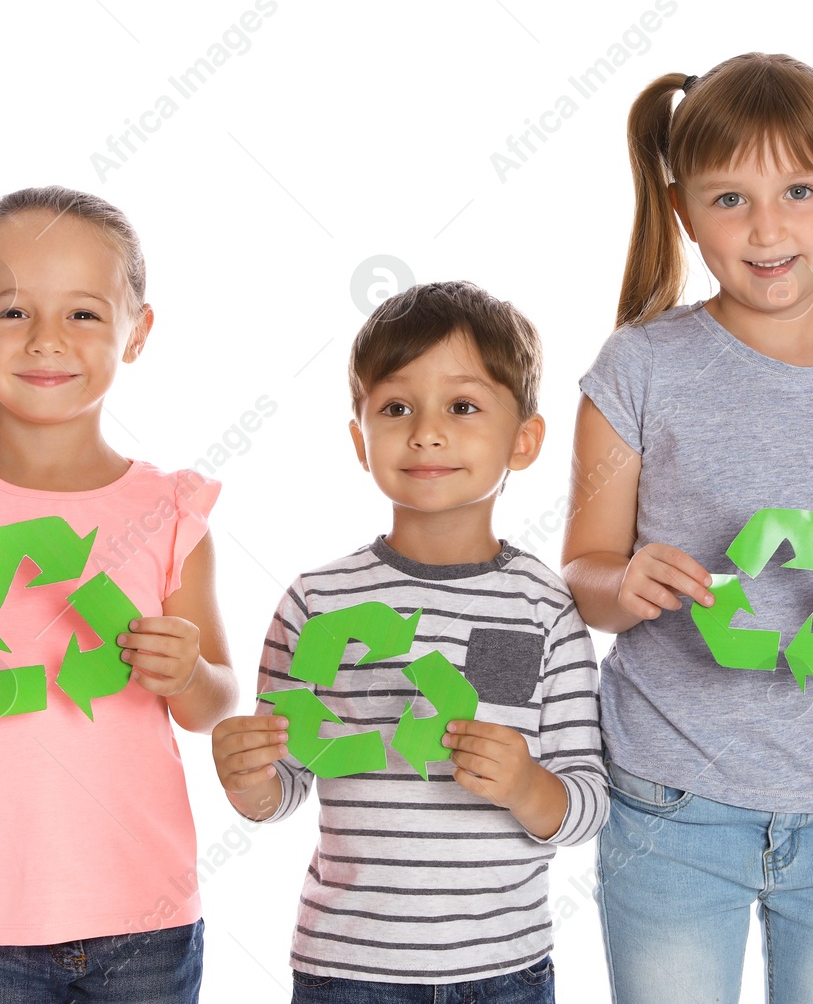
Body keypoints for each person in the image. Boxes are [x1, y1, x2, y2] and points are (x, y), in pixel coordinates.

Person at [562, 53, 813, 1004]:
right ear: (682, 210)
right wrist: (624, 585)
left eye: (798, 189)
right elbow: (581, 568)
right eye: (730, 197)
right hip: (670, 799)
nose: (769, 225)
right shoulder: (639, 368)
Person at [0, 186, 237, 1002]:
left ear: (139, 332)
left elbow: (213, 704)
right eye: (14, 311)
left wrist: (188, 670)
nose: (48, 339)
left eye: (85, 314)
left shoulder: (172, 509)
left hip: (145, 912)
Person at [211, 281, 607, 1003]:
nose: (426, 431)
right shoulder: (315, 601)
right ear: (361, 439)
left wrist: (525, 785)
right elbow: (288, 781)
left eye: (462, 406)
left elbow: (587, 799)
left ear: (524, 440)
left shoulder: (543, 605)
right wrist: (248, 782)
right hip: (346, 969)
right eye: (396, 407)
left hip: (503, 970)